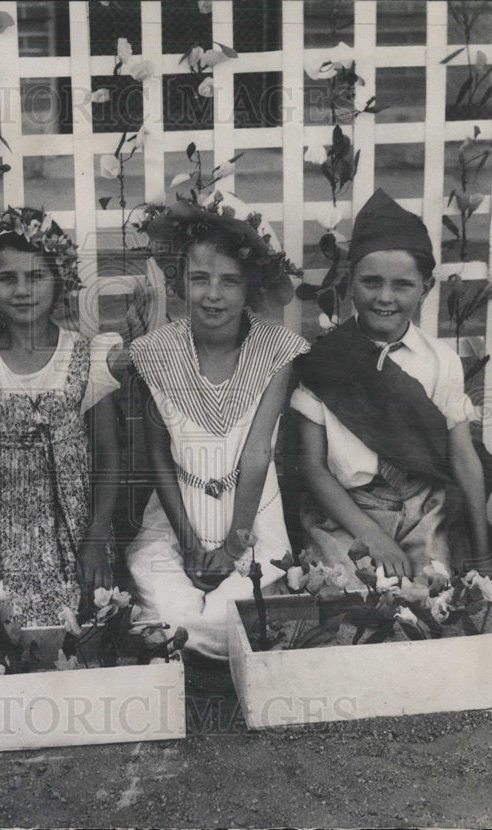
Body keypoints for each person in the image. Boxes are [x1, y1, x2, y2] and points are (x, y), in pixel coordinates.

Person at [125, 196, 308, 660]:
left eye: (229, 282)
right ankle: (197, 642)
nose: (213, 294)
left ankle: (211, 646)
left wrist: (232, 547)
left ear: (250, 287)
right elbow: (159, 456)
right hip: (174, 518)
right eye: (200, 279)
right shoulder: (155, 352)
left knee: (231, 620)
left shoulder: (276, 351)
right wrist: (188, 543)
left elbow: (256, 454)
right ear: (180, 282)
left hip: (252, 521)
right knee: (176, 617)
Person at [292, 188, 491, 593]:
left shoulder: (441, 361)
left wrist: (483, 548)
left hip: (422, 509)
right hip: (348, 512)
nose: (384, 297)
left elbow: (462, 456)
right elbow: (312, 467)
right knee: (353, 597)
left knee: (432, 597)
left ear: (426, 287)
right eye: (370, 282)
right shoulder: (325, 360)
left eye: (402, 285)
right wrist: (374, 537)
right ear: (351, 283)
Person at [0, 208, 123, 626]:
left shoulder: (86, 355)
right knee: (12, 636)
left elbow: (107, 456)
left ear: (60, 281)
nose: (23, 290)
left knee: (86, 632)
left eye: (36, 277)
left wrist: (97, 538)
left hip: (80, 532)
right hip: (8, 536)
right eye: (7, 278)